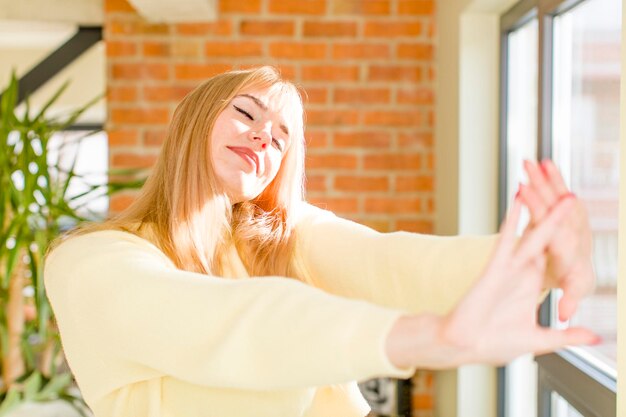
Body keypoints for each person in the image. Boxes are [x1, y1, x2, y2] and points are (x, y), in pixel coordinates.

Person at [44, 66, 597, 417]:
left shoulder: (283, 237)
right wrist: (421, 337)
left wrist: (542, 259)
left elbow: (390, 262)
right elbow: (225, 323)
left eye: (283, 138)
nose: (265, 136)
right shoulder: (89, 260)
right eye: (245, 112)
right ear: (191, 122)